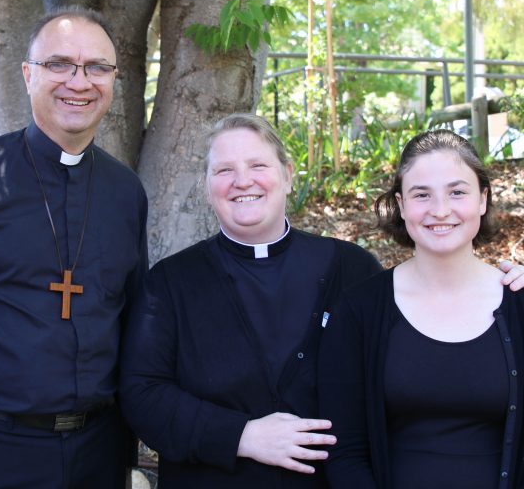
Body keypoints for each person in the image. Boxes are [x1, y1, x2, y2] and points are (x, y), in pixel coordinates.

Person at [119, 114, 524, 489]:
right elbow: (142, 392)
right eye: (224, 170)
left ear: (289, 176)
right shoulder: (170, 283)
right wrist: (240, 435)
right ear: (207, 187)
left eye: (258, 166)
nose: (243, 181)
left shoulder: (352, 269)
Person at [0, 7, 147, 489]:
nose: (79, 82)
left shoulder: (125, 191)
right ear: (28, 75)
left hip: (99, 454)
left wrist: (127, 457)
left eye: (96, 68)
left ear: (113, 80)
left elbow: (130, 326)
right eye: (60, 64)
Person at [319, 129, 524, 489]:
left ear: (482, 199)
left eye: (457, 192)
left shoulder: (519, 304)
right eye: (422, 194)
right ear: (401, 205)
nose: (440, 210)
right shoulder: (359, 311)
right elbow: (345, 450)